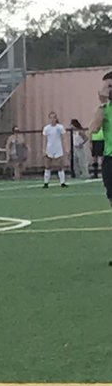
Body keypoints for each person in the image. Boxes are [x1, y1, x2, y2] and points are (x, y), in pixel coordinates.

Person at [86, 71, 112, 263]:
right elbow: (94, 129)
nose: (108, 90)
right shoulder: (105, 109)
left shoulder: (105, 109)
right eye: (106, 86)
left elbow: (93, 129)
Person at [42, 111, 68, 187]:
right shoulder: (46, 128)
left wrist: (66, 148)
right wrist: (44, 149)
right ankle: (46, 183)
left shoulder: (60, 127)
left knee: (60, 165)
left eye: (54, 118)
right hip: (49, 148)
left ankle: (62, 182)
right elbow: (44, 139)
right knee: (47, 166)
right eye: (51, 118)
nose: (52, 119)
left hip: (58, 148)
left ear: (56, 118)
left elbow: (64, 137)